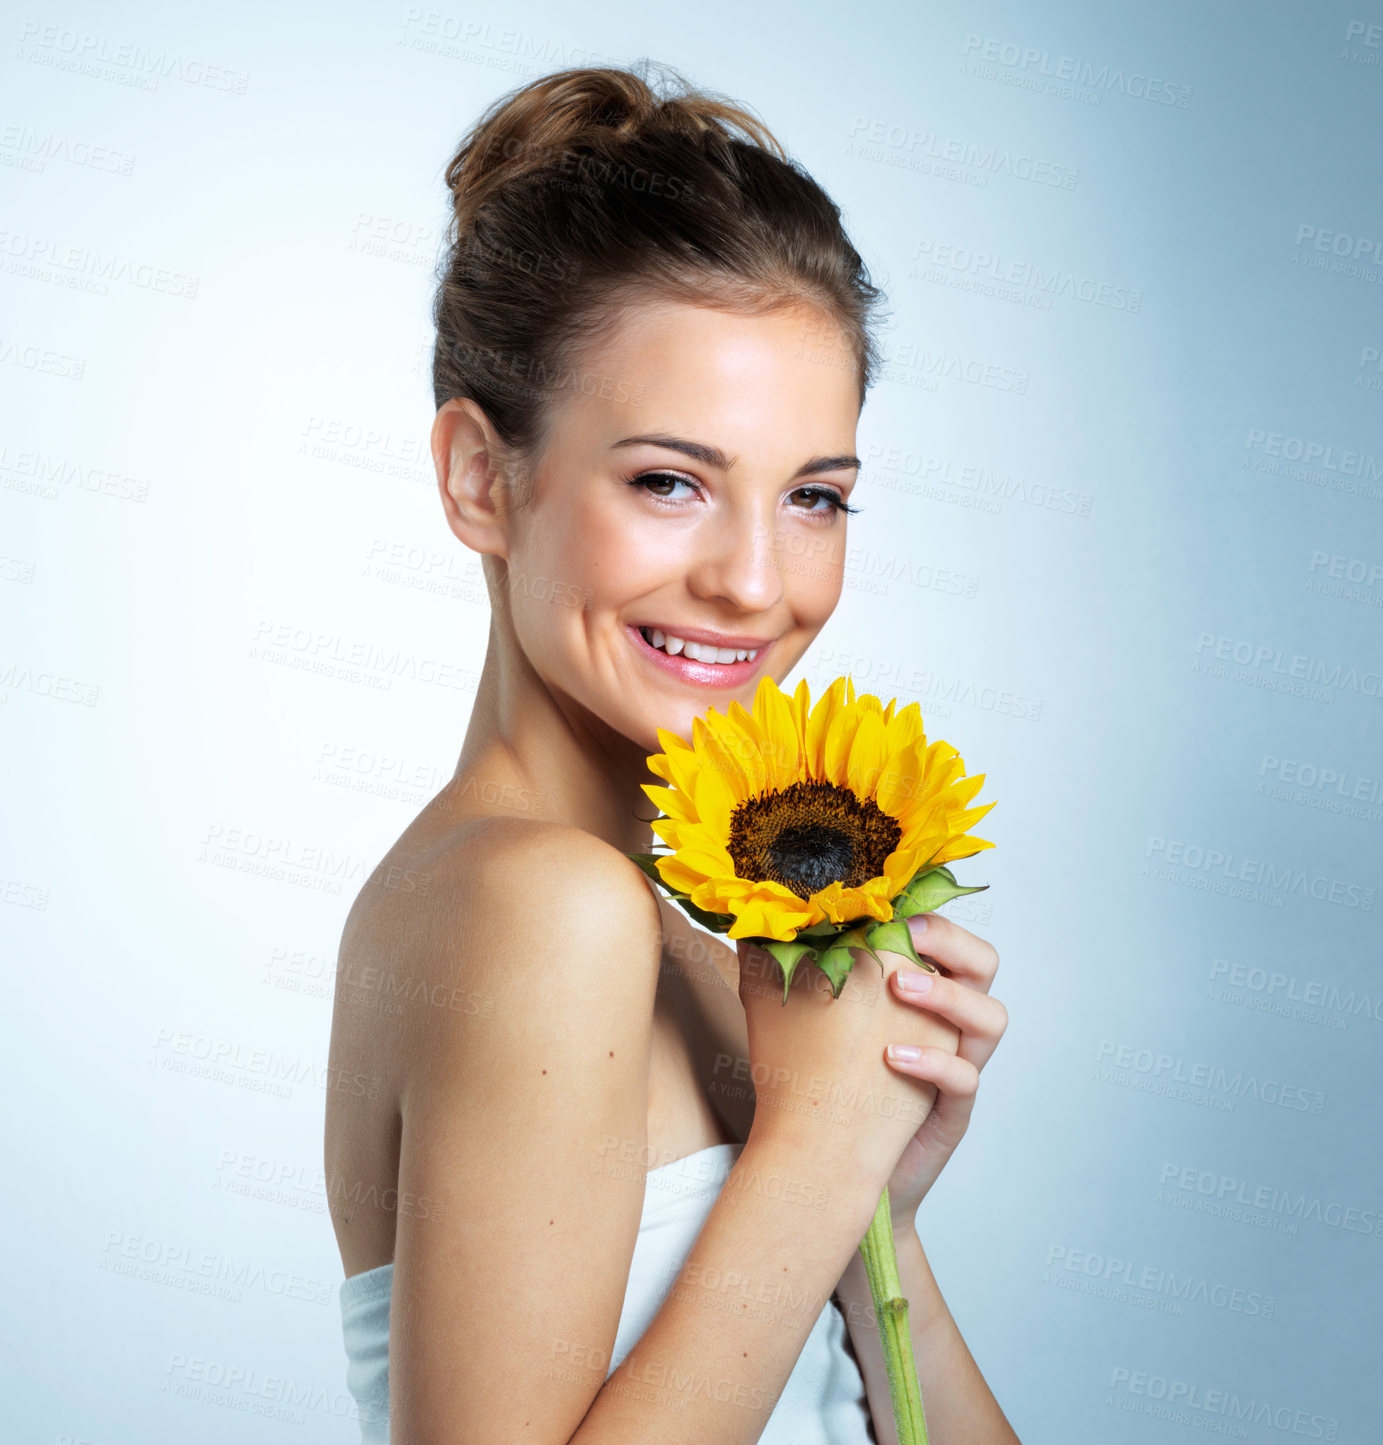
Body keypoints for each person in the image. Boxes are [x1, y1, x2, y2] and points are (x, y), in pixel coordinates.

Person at [324, 60, 1017, 1445]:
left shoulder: (701, 918)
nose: (757, 582)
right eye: (670, 481)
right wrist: (815, 1150)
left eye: (815, 496)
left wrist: (869, 1220)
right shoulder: (543, 906)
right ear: (479, 477)